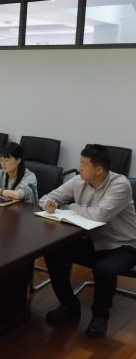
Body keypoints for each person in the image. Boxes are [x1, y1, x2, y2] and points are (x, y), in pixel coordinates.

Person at [40, 144, 136, 339]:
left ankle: (100, 317)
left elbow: (99, 215)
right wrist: (49, 204)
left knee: (104, 270)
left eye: (84, 164)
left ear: (98, 169)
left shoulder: (120, 184)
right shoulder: (79, 180)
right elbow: (48, 197)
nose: (79, 168)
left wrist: (70, 206)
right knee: (52, 251)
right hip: (92, 241)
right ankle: (69, 306)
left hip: (122, 244)